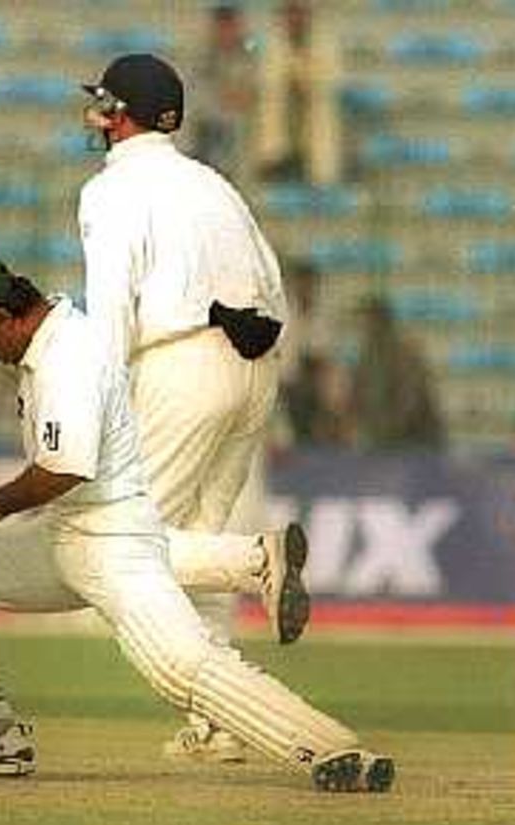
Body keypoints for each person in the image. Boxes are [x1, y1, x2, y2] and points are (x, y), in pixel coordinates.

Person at [0, 261, 394, 791]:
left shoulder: (68, 360)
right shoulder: (41, 334)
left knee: (182, 665)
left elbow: (64, 469)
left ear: (5, 318)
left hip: (110, 541)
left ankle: (333, 750)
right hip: (62, 537)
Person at [77, 52, 300, 762]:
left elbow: (111, 309)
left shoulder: (110, 191)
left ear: (119, 115)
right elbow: (273, 286)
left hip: (179, 364)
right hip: (254, 366)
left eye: (100, 106)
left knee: (124, 545)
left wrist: (100, 409)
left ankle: (256, 558)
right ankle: (219, 723)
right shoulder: (214, 183)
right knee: (192, 544)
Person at [255, 0, 343, 184]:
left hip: (313, 101)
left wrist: (303, 80)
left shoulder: (324, 42)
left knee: (322, 114)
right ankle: (275, 160)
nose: (295, 20)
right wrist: (292, 80)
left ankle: (320, 175)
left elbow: (331, 78)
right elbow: (269, 77)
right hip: (284, 101)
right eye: (290, 14)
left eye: (299, 14)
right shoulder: (274, 43)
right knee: (271, 103)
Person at [348, 295, 445, 451]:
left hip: (414, 442)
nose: (361, 328)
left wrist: (385, 433)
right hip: (384, 443)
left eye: (366, 321)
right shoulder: (367, 354)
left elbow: (410, 401)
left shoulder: (404, 353)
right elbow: (358, 395)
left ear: (379, 321)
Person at [278, 258, 349, 446]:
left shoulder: (325, 313)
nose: (305, 288)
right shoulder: (282, 311)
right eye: (300, 283)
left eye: (308, 284)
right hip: (287, 383)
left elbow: (325, 351)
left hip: (315, 380)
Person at [190, 3, 257, 181]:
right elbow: (197, 87)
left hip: (244, 111)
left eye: (231, 25)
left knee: (242, 120)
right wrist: (221, 98)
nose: (227, 32)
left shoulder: (250, 50)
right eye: (222, 26)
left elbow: (255, 83)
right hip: (211, 111)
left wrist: (242, 96)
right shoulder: (203, 54)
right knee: (210, 116)